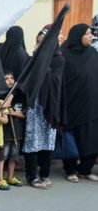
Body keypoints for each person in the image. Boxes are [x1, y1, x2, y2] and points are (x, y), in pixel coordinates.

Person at [22, 26, 65, 189]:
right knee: (33, 142)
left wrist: (43, 70)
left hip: (50, 106)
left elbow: (56, 81)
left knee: (47, 141)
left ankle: (44, 175)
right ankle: (32, 176)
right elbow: (25, 81)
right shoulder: (32, 60)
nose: (39, 46)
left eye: (43, 43)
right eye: (38, 42)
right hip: (34, 107)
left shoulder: (59, 60)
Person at [61, 23, 98, 182]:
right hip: (71, 105)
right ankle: (70, 170)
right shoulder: (65, 54)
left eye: (91, 34)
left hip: (92, 106)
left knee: (92, 139)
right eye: (87, 34)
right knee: (71, 140)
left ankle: (85, 169)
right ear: (78, 36)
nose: (91, 36)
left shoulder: (93, 53)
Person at [0, 71, 25, 187]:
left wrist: (13, 113)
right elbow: (3, 106)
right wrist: (11, 94)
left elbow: (24, 114)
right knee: (3, 156)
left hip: (16, 133)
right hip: (5, 133)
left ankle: (10, 176)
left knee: (14, 156)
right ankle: (0, 178)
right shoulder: (2, 95)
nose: (9, 80)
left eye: (11, 78)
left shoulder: (19, 96)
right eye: (6, 78)